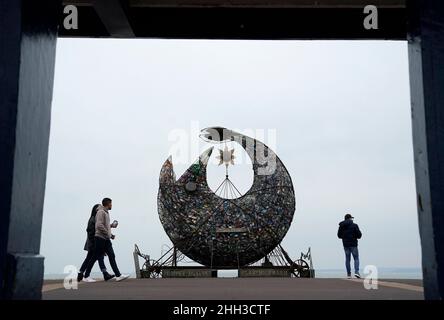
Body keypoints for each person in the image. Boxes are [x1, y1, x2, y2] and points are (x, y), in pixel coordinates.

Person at [83, 198, 129, 282]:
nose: (112, 205)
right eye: (111, 203)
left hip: (106, 238)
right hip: (100, 238)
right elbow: (99, 225)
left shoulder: (106, 213)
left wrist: (110, 230)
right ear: (107, 204)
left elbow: (105, 226)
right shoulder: (101, 212)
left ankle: (118, 275)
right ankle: (86, 276)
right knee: (94, 256)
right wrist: (108, 234)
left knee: (112, 255)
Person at [77, 204, 115, 282]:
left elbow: (100, 227)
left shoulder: (94, 218)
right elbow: (91, 231)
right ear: (96, 210)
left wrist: (110, 227)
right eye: (98, 208)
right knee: (99, 257)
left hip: (93, 242)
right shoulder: (93, 219)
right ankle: (104, 273)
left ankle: (81, 273)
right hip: (93, 242)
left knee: (90, 258)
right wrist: (95, 243)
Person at [337, 213, 362, 279]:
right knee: (356, 258)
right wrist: (354, 236)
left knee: (347, 259)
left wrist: (344, 237)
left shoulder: (341, 226)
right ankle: (356, 272)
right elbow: (359, 235)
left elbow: (339, 235)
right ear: (350, 218)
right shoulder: (354, 225)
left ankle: (348, 274)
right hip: (353, 244)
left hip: (345, 244)